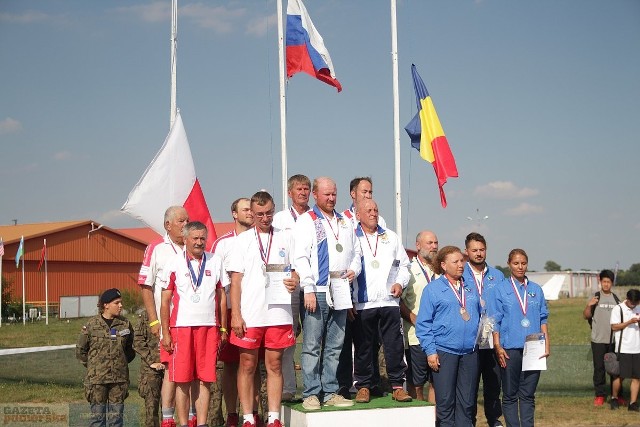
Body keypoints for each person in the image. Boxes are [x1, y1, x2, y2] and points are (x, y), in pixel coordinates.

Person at [228, 191, 299, 427]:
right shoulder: (242, 241)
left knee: (275, 365)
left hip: (278, 311)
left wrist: (295, 279)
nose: (265, 218)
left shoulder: (286, 237)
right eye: (259, 214)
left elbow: (297, 269)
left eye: (269, 212)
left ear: (274, 209)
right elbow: (235, 281)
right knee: (247, 364)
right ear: (252, 213)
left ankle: (274, 418)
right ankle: (248, 418)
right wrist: (236, 314)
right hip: (251, 313)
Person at [293, 176, 361, 410]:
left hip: (341, 289)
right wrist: (308, 288)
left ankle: (331, 390)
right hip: (318, 290)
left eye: (334, 194)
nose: (331, 198)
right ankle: (311, 393)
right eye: (326, 194)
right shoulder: (306, 221)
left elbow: (356, 253)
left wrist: (354, 269)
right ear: (315, 195)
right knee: (312, 344)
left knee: (335, 344)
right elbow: (300, 256)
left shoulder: (345, 222)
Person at [160, 221, 226, 427]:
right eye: (195, 238)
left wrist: (223, 328)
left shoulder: (215, 260)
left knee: (205, 379)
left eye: (202, 238)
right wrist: (166, 332)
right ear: (186, 239)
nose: (199, 242)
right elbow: (165, 300)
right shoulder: (173, 262)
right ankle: (182, 423)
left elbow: (222, 296)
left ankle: (202, 423)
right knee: (182, 380)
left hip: (208, 327)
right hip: (181, 327)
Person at [351, 199, 412, 404]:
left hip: (389, 301)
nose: (373, 213)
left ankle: (397, 386)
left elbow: (404, 265)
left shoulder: (390, 236)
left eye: (376, 210)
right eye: (368, 210)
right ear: (358, 215)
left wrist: (399, 283)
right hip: (363, 302)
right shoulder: (352, 236)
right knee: (363, 346)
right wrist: (349, 299)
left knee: (394, 345)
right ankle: (363, 386)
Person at [210, 198, 262, 427]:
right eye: (245, 209)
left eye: (252, 209)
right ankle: (232, 413)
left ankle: (254, 413)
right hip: (232, 313)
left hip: (256, 312)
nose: (250, 213)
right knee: (231, 366)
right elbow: (215, 282)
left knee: (255, 366)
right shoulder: (222, 244)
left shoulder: (261, 238)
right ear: (234, 214)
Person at [416, 246, 482, 427]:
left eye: (462, 261)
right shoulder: (433, 290)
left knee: (467, 404)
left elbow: (478, 314)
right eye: (456, 262)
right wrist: (430, 351)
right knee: (445, 404)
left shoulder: (469, 288)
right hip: (444, 352)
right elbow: (423, 324)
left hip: (470, 352)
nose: (461, 265)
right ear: (444, 265)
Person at [138, 206, 190, 427]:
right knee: (170, 370)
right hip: (168, 324)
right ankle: (168, 419)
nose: (185, 225)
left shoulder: (195, 247)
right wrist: (154, 320)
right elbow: (145, 286)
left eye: (187, 220)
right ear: (167, 225)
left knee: (189, 372)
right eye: (181, 221)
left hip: (191, 322)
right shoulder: (156, 249)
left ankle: (189, 418)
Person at [489, 249, 550, 427]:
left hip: (534, 348)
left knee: (528, 395)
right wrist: (497, 346)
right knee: (509, 395)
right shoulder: (500, 289)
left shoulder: (536, 290)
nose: (520, 267)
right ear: (509, 264)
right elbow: (494, 321)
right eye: (516, 263)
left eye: (523, 263)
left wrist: (547, 343)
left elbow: (543, 319)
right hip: (510, 348)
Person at [338, 176, 386, 399]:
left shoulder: (380, 220)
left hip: (372, 295)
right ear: (353, 194)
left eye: (370, 192)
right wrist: (346, 299)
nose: (368, 196)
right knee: (345, 343)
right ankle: (345, 386)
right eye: (364, 192)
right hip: (350, 293)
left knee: (370, 343)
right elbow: (342, 263)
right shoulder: (342, 221)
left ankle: (372, 384)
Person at [272, 174, 311, 402]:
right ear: (290, 192)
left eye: (306, 188)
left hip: (313, 283)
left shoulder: (317, 217)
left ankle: (314, 387)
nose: (303, 192)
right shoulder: (279, 219)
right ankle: (288, 387)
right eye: (299, 189)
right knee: (288, 336)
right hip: (289, 284)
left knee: (315, 337)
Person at [462, 232, 505, 427]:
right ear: (466, 251)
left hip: (492, 339)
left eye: (482, 250)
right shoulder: (460, 273)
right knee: (469, 386)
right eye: (474, 250)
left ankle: (494, 419)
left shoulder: (497, 275)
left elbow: (504, 305)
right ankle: (469, 420)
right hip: (469, 340)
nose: (479, 254)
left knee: (493, 384)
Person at [76, 288, 136, 427]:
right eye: (117, 303)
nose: (120, 306)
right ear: (106, 305)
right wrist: (94, 366)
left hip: (118, 380)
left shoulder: (125, 324)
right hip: (97, 380)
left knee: (116, 420)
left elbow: (130, 350)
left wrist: (119, 363)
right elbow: (81, 351)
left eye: (121, 302)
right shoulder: (91, 325)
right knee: (97, 419)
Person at [400, 230, 439, 403]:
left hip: (439, 336)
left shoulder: (441, 270)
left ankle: (434, 421)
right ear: (418, 246)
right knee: (416, 383)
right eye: (429, 243)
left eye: (436, 243)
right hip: (416, 337)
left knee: (435, 382)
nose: (434, 247)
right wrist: (415, 319)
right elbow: (399, 302)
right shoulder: (408, 269)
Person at [583, 269, 622, 407]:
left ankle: (616, 396)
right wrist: (589, 305)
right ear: (600, 282)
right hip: (598, 340)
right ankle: (600, 395)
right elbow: (586, 315)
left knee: (614, 370)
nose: (606, 284)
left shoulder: (616, 299)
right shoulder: (595, 297)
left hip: (613, 341)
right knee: (599, 369)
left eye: (608, 282)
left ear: (612, 283)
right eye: (604, 281)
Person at [610, 289, 640, 411]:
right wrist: (629, 322)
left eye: (636, 303)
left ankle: (632, 403)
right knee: (619, 376)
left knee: (637, 377)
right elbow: (614, 327)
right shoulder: (618, 309)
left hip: (637, 348)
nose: (633, 305)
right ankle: (614, 398)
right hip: (623, 348)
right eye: (632, 302)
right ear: (627, 299)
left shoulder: (638, 308)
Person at [134, 310, 165, 427]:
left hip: (169, 368)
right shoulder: (145, 316)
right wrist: (151, 361)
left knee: (169, 409)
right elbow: (137, 341)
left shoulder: (174, 309)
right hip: (151, 370)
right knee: (152, 409)